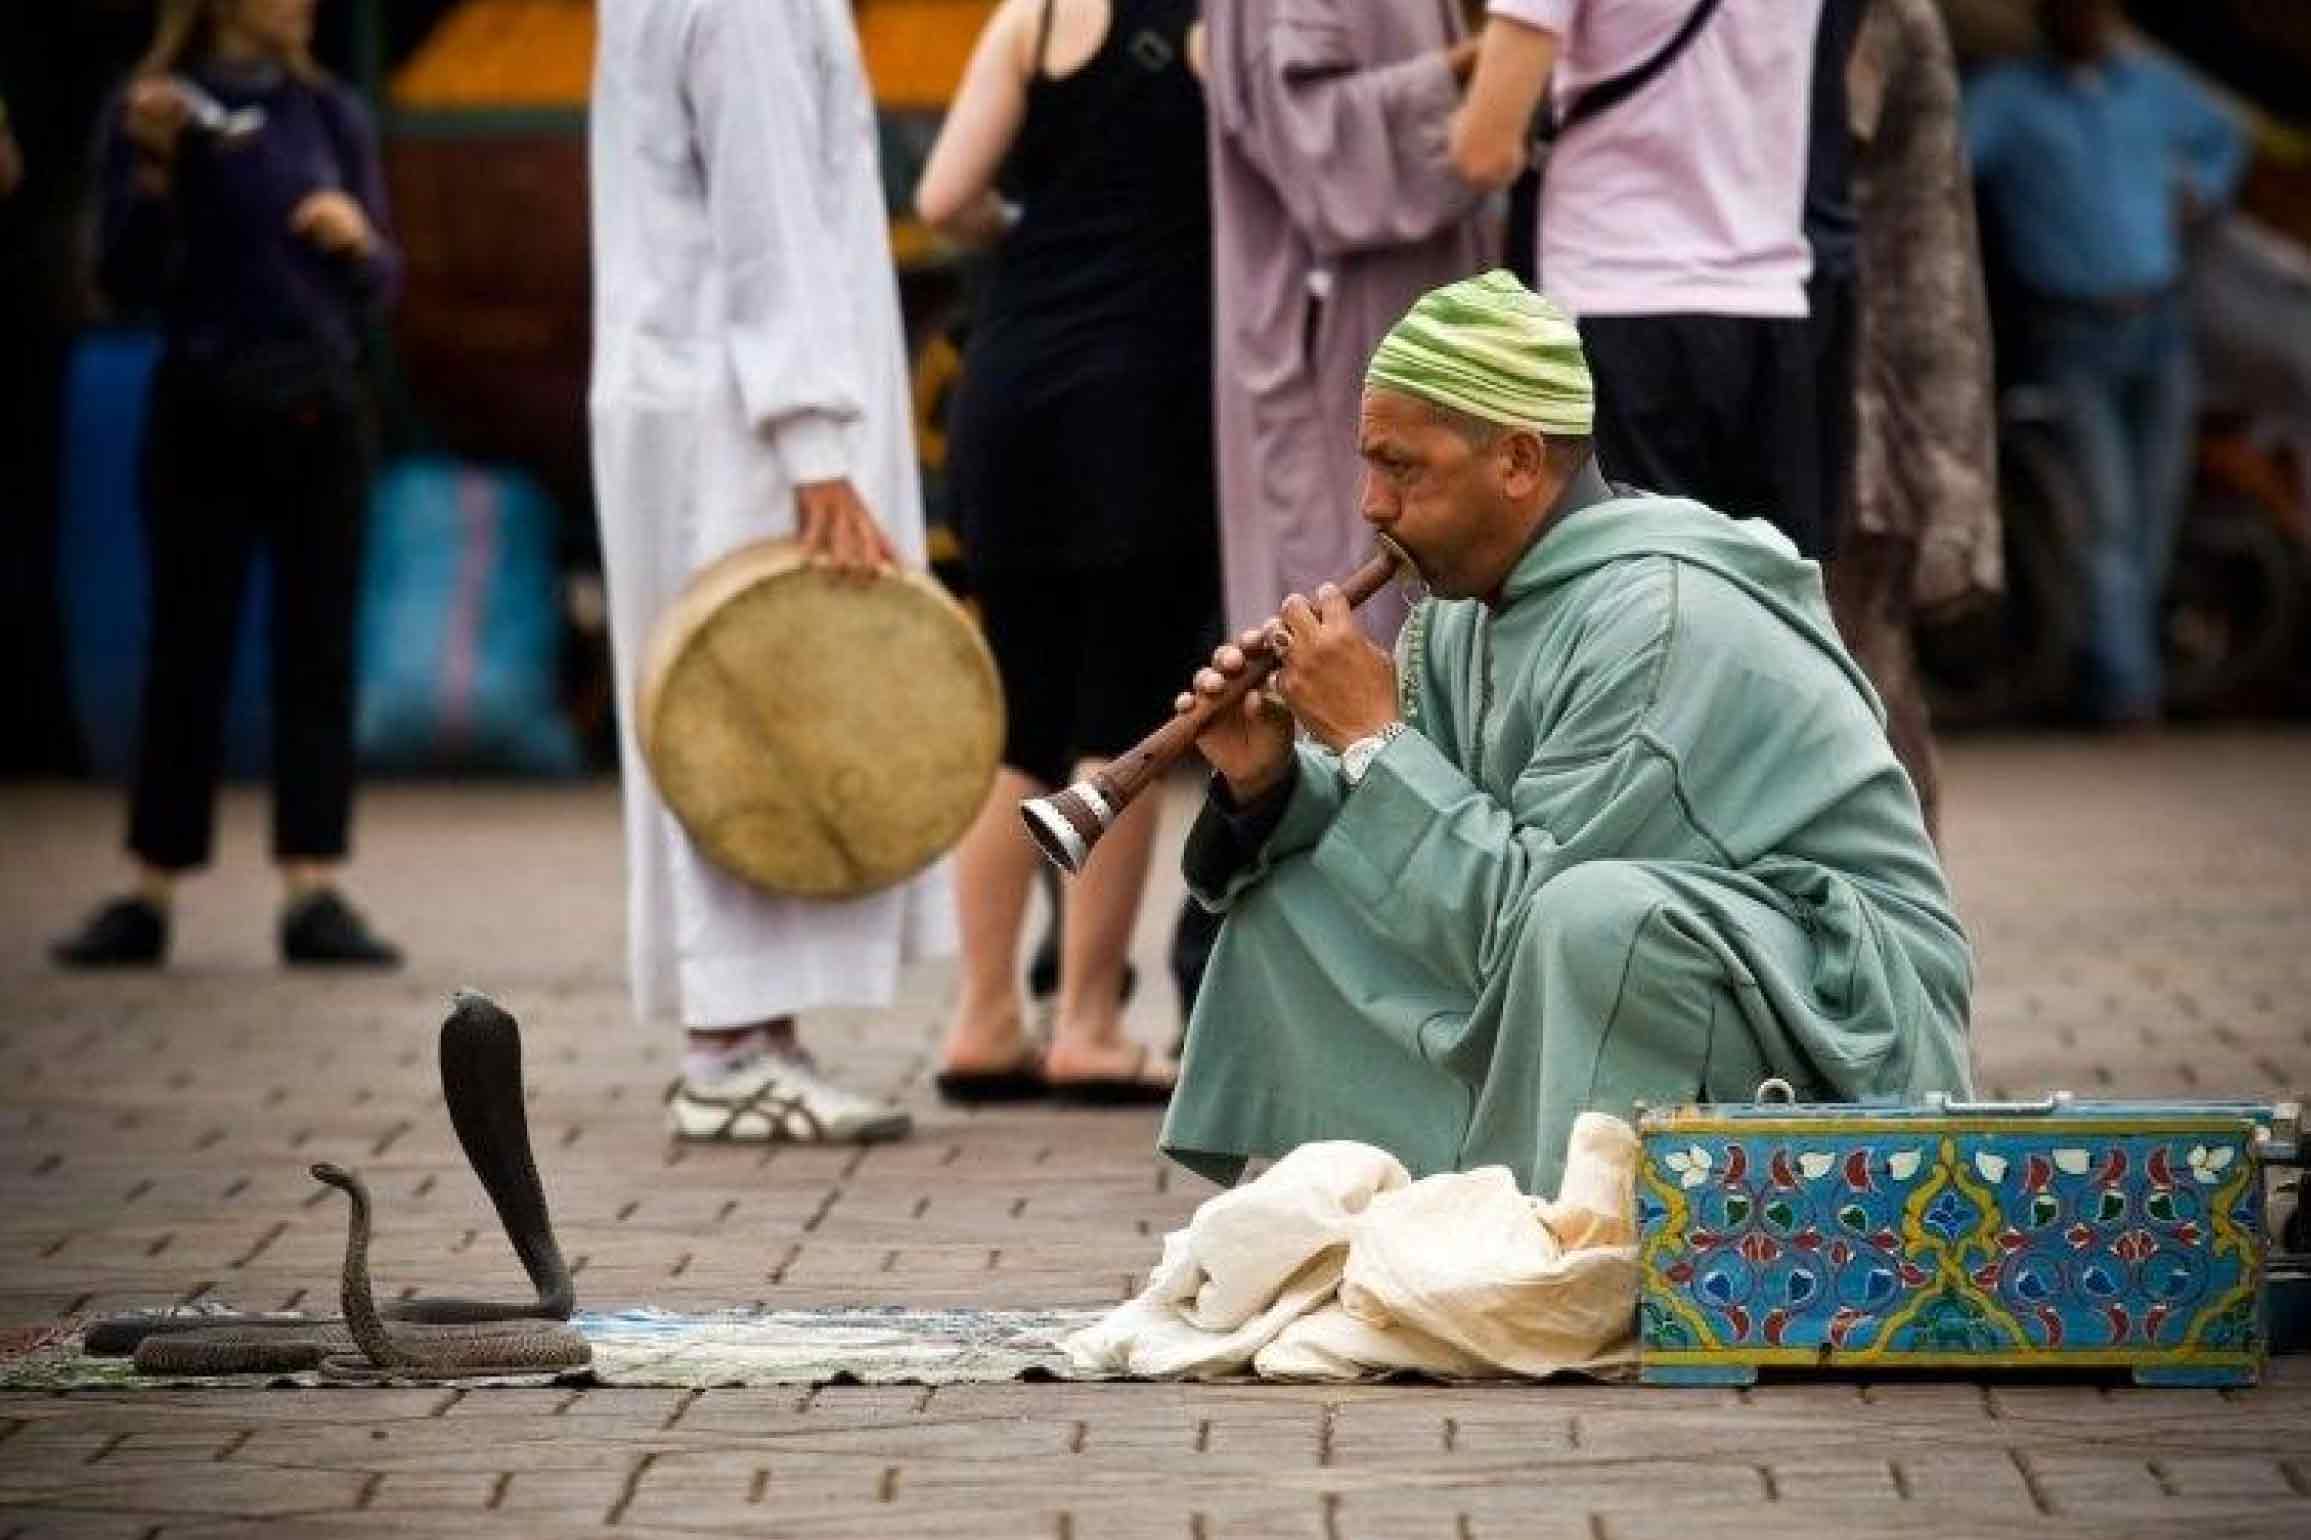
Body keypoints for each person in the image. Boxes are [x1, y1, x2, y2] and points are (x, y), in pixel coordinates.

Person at [1160, 271, 1974, 1196]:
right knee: (1293, 887)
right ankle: (1381, 1220)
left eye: (1402, 467)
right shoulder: (1462, 612)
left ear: (1516, 462)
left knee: (1588, 922)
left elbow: (1527, 917)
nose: (1370, 506)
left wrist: (1373, 740)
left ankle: (1564, 1253)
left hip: (1838, 1019)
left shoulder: (1661, 620)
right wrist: (1270, 783)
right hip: (1636, 961)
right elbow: (1447, 840)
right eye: (1369, 464)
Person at [590, 0, 952, 1142]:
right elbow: (769, 226)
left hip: (696, 389)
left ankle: (752, 1032)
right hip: (741, 416)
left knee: (724, 703)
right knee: (748, 704)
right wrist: (814, 441)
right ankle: (732, 1047)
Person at [54, 0, 403, 971]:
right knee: (187, 649)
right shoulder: (150, 108)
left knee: (316, 650)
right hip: (202, 404)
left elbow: (387, 277)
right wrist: (157, 169)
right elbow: (122, 278)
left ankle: (312, 884)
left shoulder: (328, 114)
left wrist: (356, 241)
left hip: (321, 410)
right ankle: (150, 887)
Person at [915, 0, 1217, 1104]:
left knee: (1021, 717)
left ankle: (982, 1017)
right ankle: (1088, 1020)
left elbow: (943, 198)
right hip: (1141, 392)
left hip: (1008, 383)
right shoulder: (1211, 27)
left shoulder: (1029, 18)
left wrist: (1030, 223)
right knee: (1121, 716)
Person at [1447, 0, 1843, 559]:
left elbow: (1484, 150)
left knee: (1625, 606)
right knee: (1768, 611)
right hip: (1772, 304)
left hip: (1618, 299)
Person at [1963, 0, 2246, 726]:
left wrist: (2198, 191)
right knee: (2106, 517)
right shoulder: (2007, 99)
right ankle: (2126, 693)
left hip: (2158, 322)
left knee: (2152, 514)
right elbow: (1939, 157)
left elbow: (2226, 137)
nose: (2080, 20)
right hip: (2070, 334)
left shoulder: (2148, 87)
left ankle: (2116, 667)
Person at [1201, 0, 1494, 650]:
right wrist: (1490, 59)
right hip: (1332, 342)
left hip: (1415, 330)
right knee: (1342, 618)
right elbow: (1313, 147)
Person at [1828, 0, 2001, 836]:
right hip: (1827, 406)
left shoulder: (1882, 17)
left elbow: (1935, 261)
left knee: (1862, 706)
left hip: (1858, 419)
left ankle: (1897, 946)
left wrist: (1951, 486)